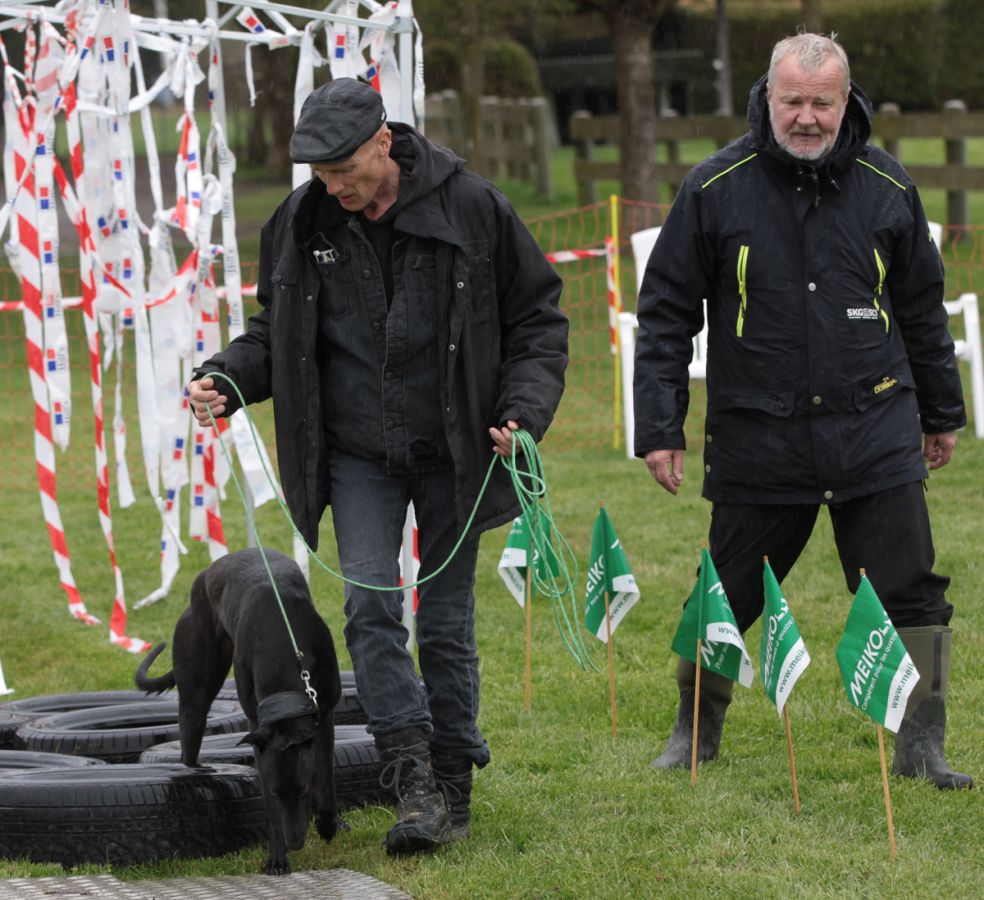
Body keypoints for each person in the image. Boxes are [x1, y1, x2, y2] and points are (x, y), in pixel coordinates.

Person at [188, 77, 568, 853]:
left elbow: (537, 320)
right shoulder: (300, 223)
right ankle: (410, 778)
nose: (334, 186)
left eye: (344, 170)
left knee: (446, 622)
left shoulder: (474, 208)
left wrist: (522, 411)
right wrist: (227, 378)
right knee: (368, 607)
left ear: (383, 144)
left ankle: (453, 775)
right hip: (358, 452)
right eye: (320, 174)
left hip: (457, 449)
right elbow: (275, 331)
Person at [633, 33, 971, 789]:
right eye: (793, 102)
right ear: (768, 96)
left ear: (847, 102)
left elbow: (922, 309)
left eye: (822, 103)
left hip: (873, 424)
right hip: (758, 432)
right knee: (726, 591)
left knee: (911, 589)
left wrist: (941, 412)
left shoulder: (888, 187)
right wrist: (659, 427)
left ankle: (923, 749)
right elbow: (665, 315)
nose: (808, 118)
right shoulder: (715, 187)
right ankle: (693, 731)